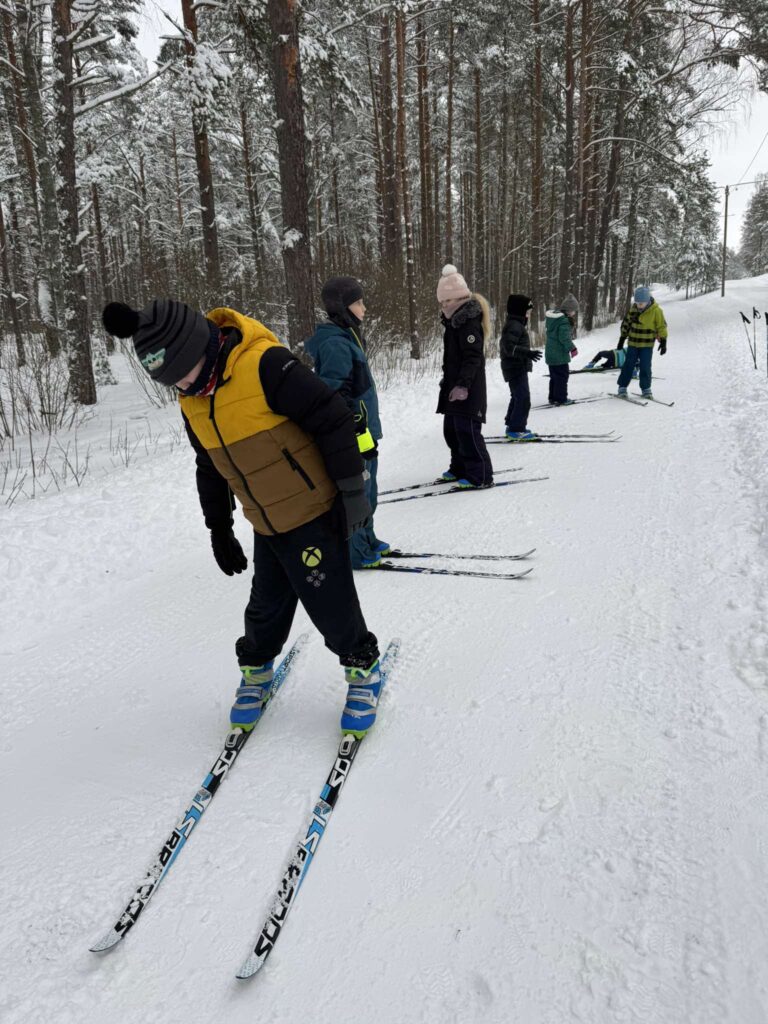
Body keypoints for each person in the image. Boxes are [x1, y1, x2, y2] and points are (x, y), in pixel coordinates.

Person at [101, 298, 382, 738]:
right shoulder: (192, 398)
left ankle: (363, 670)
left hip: (312, 513)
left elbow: (333, 417)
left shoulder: (264, 365)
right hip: (266, 521)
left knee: (331, 605)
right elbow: (209, 464)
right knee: (264, 607)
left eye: (183, 371)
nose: (182, 384)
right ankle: (256, 672)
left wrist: (351, 492)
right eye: (170, 379)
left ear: (198, 345)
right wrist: (219, 527)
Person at [304, 277, 390, 570]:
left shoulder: (348, 337)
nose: (364, 308)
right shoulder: (336, 344)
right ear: (342, 307)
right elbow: (334, 390)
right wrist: (353, 419)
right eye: (358, 303)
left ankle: (367, 537)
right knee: (358, 490)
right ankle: (355, 550)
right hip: (354, 430)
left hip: (365, 430)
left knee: (370, 488)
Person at [435, 264, 493, 488]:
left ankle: (481, 476)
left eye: (446, 301)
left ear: (457, 299)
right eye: (441, 302)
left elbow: (472, 357)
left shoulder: (467, 323)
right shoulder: (453, 323)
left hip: (468, 388)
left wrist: (462, 385)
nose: (443, 306)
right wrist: (448, 381)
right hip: (453, 386)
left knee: (467, 432)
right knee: (451, 430)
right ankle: (459, 467)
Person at [499, 293, 542, 441]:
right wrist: (527, 354)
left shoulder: (515, 324)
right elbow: (508, 347)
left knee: (518, 396)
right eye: (527, 312)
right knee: (523, 398)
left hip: (516, 366)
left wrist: (526, 355)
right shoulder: (515, 326)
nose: (529, 315)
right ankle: (516, 429)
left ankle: (512, 425)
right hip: (515, 367)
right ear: (519, 311)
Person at [616, 286, 667, 399]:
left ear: (648, 301)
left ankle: (646, 389)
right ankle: (622, 387)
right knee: (628, 365)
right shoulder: (633, 309)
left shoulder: (656, 311)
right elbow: (626, 324)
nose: (639, 305)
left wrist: (663, 341)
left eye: (641, 303)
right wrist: (622, 338)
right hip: (633, 343)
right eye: (637, 303)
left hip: (647, 345)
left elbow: (661, 326)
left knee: (645, 366)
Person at [544, 295, 579, 405]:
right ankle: (561, 398)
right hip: (559, 355)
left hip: (550, 353)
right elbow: (564, 338)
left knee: (554, 377)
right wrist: (572, 348)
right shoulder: (564, 321)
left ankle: (553, 397)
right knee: (562, 377)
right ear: (569, 310)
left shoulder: (554, 319)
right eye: (574, 311)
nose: (575, 313)